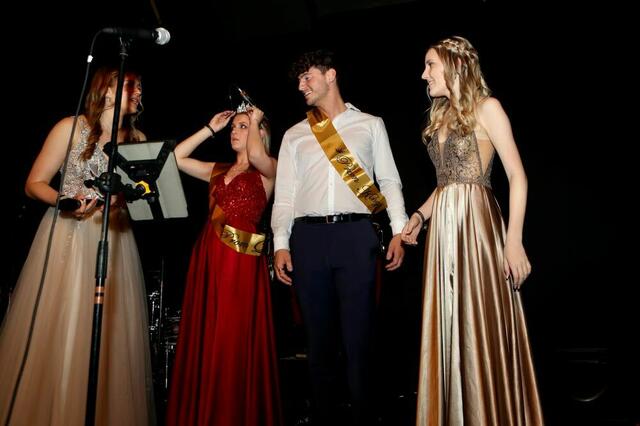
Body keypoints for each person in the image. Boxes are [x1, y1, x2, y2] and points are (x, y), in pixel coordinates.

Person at [0, 66, 156, 425]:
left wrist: (123, 199)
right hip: (68, 234)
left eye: (140, 88)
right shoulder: (70, 128)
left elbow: (141, 196)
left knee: (110, 334)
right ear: (107, 90)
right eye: (131, 86)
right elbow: (34, 183)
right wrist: (66, 201)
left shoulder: (138, 139)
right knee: (65, 322)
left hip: (115, 239)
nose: (138, 93)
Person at [401, 36, 543, 425]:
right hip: (443, 231)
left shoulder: (487, 108)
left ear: (456, 65)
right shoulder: (442, 116)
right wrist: (420, 216)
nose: (424, 74)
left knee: (478, 320)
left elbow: (517, 176)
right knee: (449, 326)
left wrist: (513, 241)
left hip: (476, 227)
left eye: (430, 64)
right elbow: (446, 182)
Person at [272, 49, 408, 425]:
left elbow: (389, 181)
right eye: (299, 80)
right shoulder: (294, 134)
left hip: (356, 236)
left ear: (330, 75)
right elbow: (284, 196)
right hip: (308, 240)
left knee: (358, 340)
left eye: (308, 77)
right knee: (318, 343)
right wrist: (280, 243)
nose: (301, 86)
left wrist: (399, 230)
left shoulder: (370, 124)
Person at [166, 104, 283, 426]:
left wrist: (256, 119)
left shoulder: (270, 168)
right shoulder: (217, 170)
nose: (235, 131)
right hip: (208, 256)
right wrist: (210, 128)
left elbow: (257, 155)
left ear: (260, 133)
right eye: (233, 127)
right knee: (209, 332)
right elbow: (175, 158)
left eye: (242, 126)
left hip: (241, 259)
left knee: (233, 335)